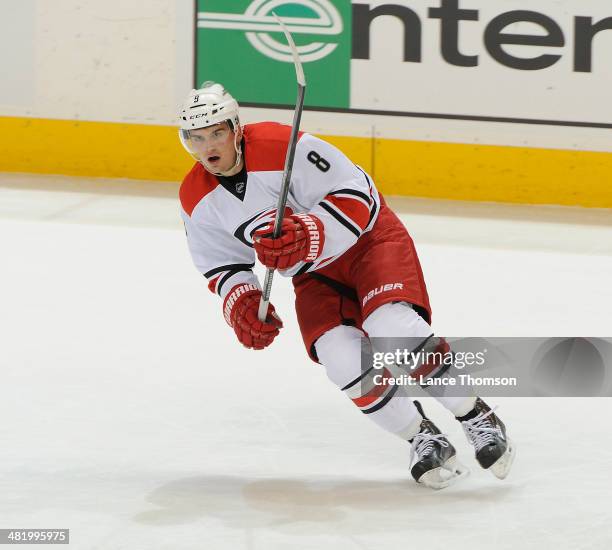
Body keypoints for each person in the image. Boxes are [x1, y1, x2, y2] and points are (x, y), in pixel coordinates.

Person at [178, 82, 515, 489]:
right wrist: (244, 302)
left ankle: (475, 415)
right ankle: (421, 436)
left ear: (235, 128)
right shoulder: (196, 196)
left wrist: (308, 231)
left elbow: (360, 193)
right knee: (340, 359)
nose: (209, 145)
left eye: (217, 132)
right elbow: (222, 263)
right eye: (197, 138)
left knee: (393, 331)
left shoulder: (284, 144)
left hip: (369, 243)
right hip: (314, 276)